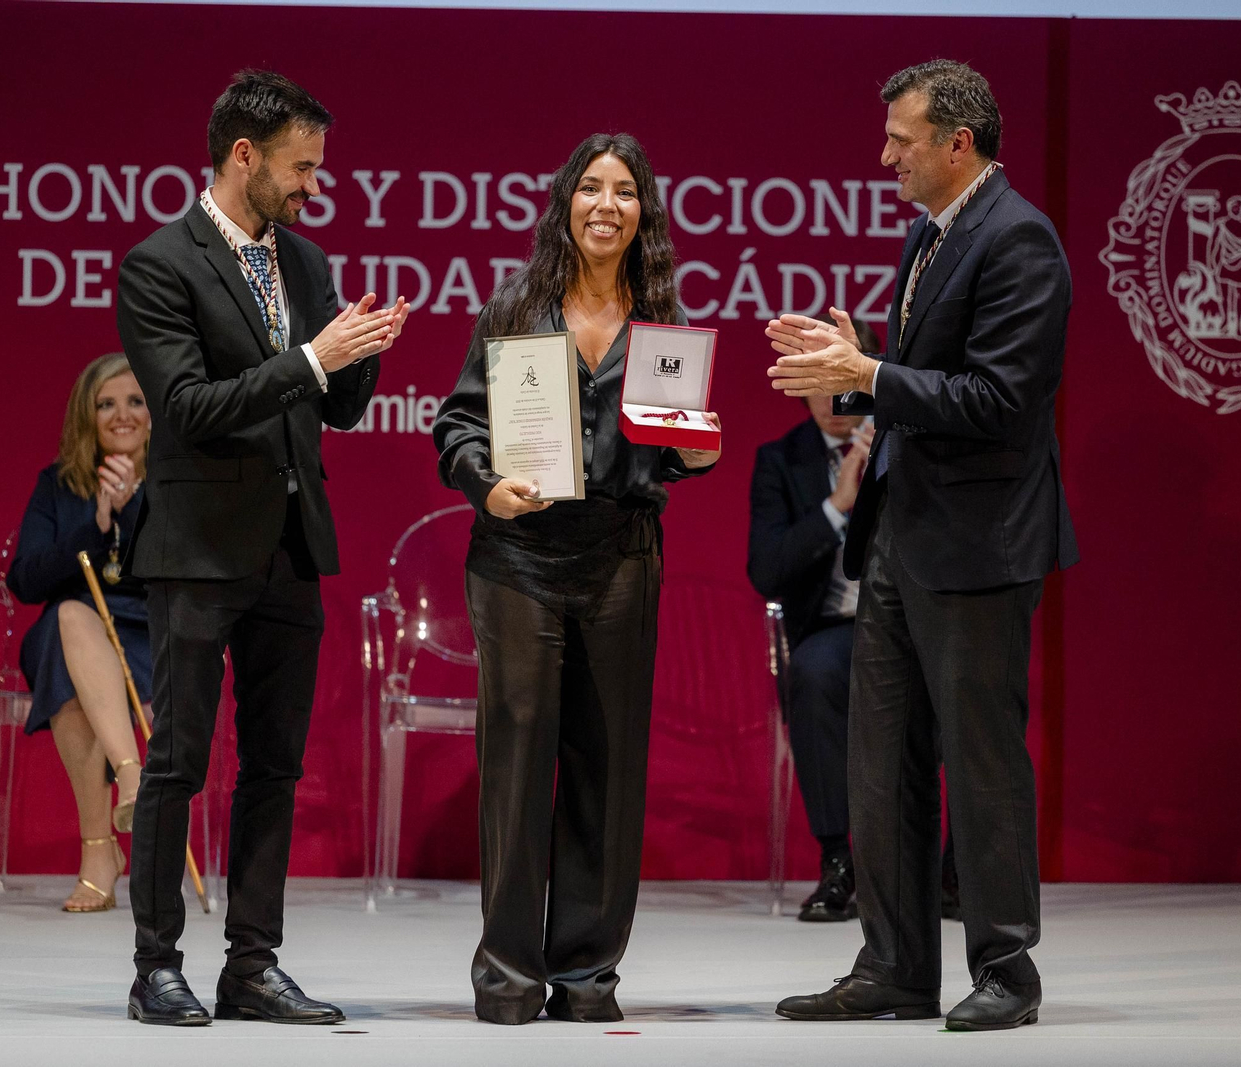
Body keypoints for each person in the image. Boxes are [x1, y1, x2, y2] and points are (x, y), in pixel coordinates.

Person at [766, 59, 1076, 1031]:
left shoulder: (1018, 239)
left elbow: (998, 400)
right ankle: (894, 964)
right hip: (899, 534)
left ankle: (1005, 970)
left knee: (980, 761)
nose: (884, 153)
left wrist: (873, 369)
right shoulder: (928, 235)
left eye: (901, 137)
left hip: (981, 544)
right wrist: (849, 372)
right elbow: (920, 383)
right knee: (880, 758)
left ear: (958, 143)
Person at [115, 69, 408, 1027]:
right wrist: (315, 357)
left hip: (290, 544)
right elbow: (189, 409)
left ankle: (253, 962)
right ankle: (156, 963)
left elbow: (337, 406)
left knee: (275, 765)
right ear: (244, 156)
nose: (315, 185)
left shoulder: (308, 262)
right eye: (301, 167)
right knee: (180, 763)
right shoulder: (160, 262)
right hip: (198, 546)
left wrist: (360, 350)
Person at [434, 132, 720, 1025]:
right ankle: (510, 975)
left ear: (644, 215)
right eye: (590, 188)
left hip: (622, 558)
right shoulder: (515, 309)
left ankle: (588, 973)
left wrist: (698, 452)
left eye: (625, 192)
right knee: (518, 768)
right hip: (519, 556)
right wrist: (488, 484)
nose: (606, 204)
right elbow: (454, 427)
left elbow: (671, 450)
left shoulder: (664, 322)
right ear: (566, 203)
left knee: (608, 766)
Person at [748, 321, 961, 924]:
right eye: (816, 381)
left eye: (841, 377)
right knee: (812, 675)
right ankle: (840, 861)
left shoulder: (912, 442)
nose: (832, 397)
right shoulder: (781, 461)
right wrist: (837, 506)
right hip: (836, 627)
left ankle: (952, 868)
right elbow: (767, 571)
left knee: (960, 669)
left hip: (916, 617)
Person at [6, 352, 151, 913]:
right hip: (72, 632)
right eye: (106, 404)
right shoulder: (59, 484)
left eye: (135, 401)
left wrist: (134, 505)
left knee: (67, 669)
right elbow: (26, 579)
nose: (122, 415)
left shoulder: (176, 480)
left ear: (154, 411)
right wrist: (95, 521)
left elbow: (182, 570)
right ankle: (132, 777)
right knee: (68, 622)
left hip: (148, 633)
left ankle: (99, 851)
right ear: (85, 417)